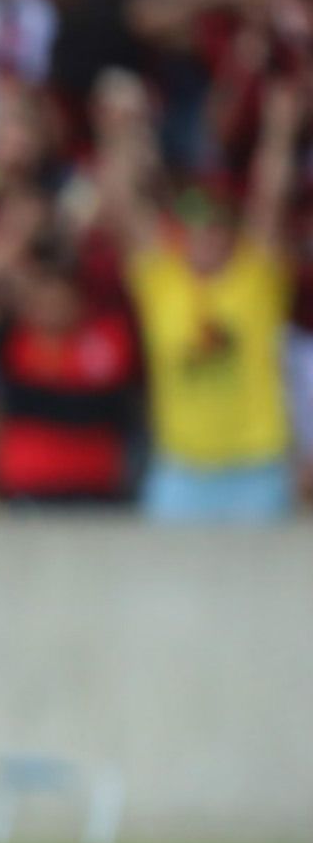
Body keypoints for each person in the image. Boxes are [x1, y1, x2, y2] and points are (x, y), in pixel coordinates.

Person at [99, 74, 302, 523]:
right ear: (181, 232)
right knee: (164, 593)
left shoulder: (255, 276)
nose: (204, 235)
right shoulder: (162, 280)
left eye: (215, 225)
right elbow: (122, 206)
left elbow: (270, 197)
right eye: (193, 225)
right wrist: (119, 132)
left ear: (230, 229)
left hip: (257, 469)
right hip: (181, 472)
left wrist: (280, 129)